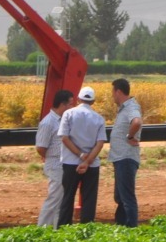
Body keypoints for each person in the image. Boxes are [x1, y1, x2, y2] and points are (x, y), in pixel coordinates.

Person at [57, 85, 107, 225]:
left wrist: (80, 155)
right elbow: (100, 143)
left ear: (78, 99)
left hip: (70, 162)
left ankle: (64, 229)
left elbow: (64, 138)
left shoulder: (69, 114)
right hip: (92, 165)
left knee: (68, 197)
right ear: (93, 101)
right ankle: (87, 230)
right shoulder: (99, 118)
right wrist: (88, 160)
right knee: (89, 199)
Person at [34, 88, 75, 227]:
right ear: (62, 105)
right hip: (55, 165)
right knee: (54, 198)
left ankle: (57, 227)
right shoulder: (48, 122)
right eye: (70, 104)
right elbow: (40, 147)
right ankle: (43, 227)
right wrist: (49, 157)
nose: (72, 106)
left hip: (63, 165)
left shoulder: (64, 120)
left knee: (61, 199)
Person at [110, 78, 143, 227]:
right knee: (120, 196)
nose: (112, 96)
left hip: (126, 157)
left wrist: (130, 136)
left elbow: (136, 122)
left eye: (113, 92)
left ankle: (130, 229)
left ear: (118, 91)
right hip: (120, 158)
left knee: (126, 197)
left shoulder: (131, 107)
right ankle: (121, 225)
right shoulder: (124, 108)